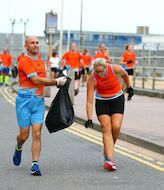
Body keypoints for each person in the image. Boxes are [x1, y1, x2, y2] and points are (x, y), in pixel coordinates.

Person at [13, 36, 67, 176]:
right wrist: (56, 82)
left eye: (37, 42)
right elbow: (36, 80)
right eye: (32, 43)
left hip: (38, 102)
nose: (36, 45)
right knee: (24, 136)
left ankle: (35, 164)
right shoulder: (23, 61)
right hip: (24, 102)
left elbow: (42, 81)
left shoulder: (41, 62)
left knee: (37, 133)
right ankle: (19, 147)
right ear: (26, 45)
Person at [85, 58, 133, 171]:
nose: (100, 74)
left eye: (101, 71)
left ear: (106, 66)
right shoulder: (92, 77)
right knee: (106, 128)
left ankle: (108, 149)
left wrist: (129, 87)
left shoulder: (115, 69)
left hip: (117, 99)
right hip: (102, 101)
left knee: (116, 126)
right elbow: (89, 100)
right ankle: (109, 160)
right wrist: (89, 118)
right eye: (97, 72)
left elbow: (125, 74)